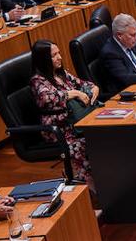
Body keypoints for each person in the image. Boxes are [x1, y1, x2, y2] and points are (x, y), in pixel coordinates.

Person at [30, 40, 95, 186]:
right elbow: (47, 98)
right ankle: (91, 186)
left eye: (59, 53)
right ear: (44, 59)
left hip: (75, 121)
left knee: (101, 135)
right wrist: (72, 93)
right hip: (58, 128)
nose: (59, 57)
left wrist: (94, 88)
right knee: (84, 144)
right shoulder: (37, 80)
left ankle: (106, 177)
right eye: (54, 55)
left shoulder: (61, 73)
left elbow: (85, 84)